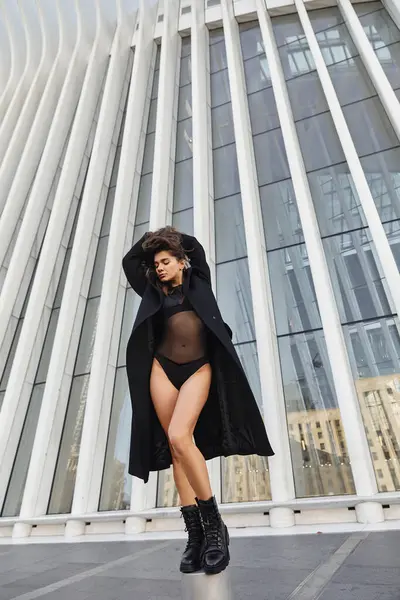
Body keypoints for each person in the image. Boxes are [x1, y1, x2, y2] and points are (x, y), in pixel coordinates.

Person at [122, 226, 273, 575]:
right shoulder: (151, 291)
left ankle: (214, 526)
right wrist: (151, 241)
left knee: (179, 436)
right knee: (177, 450)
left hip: (199, 367)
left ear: (180, 262)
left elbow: (196, 248)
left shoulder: (198, 280)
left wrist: (169, 237)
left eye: (165, 261)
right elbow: (130, 260)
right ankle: (195, 536)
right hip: (162, 368)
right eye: (156, 263)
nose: (159, 267)